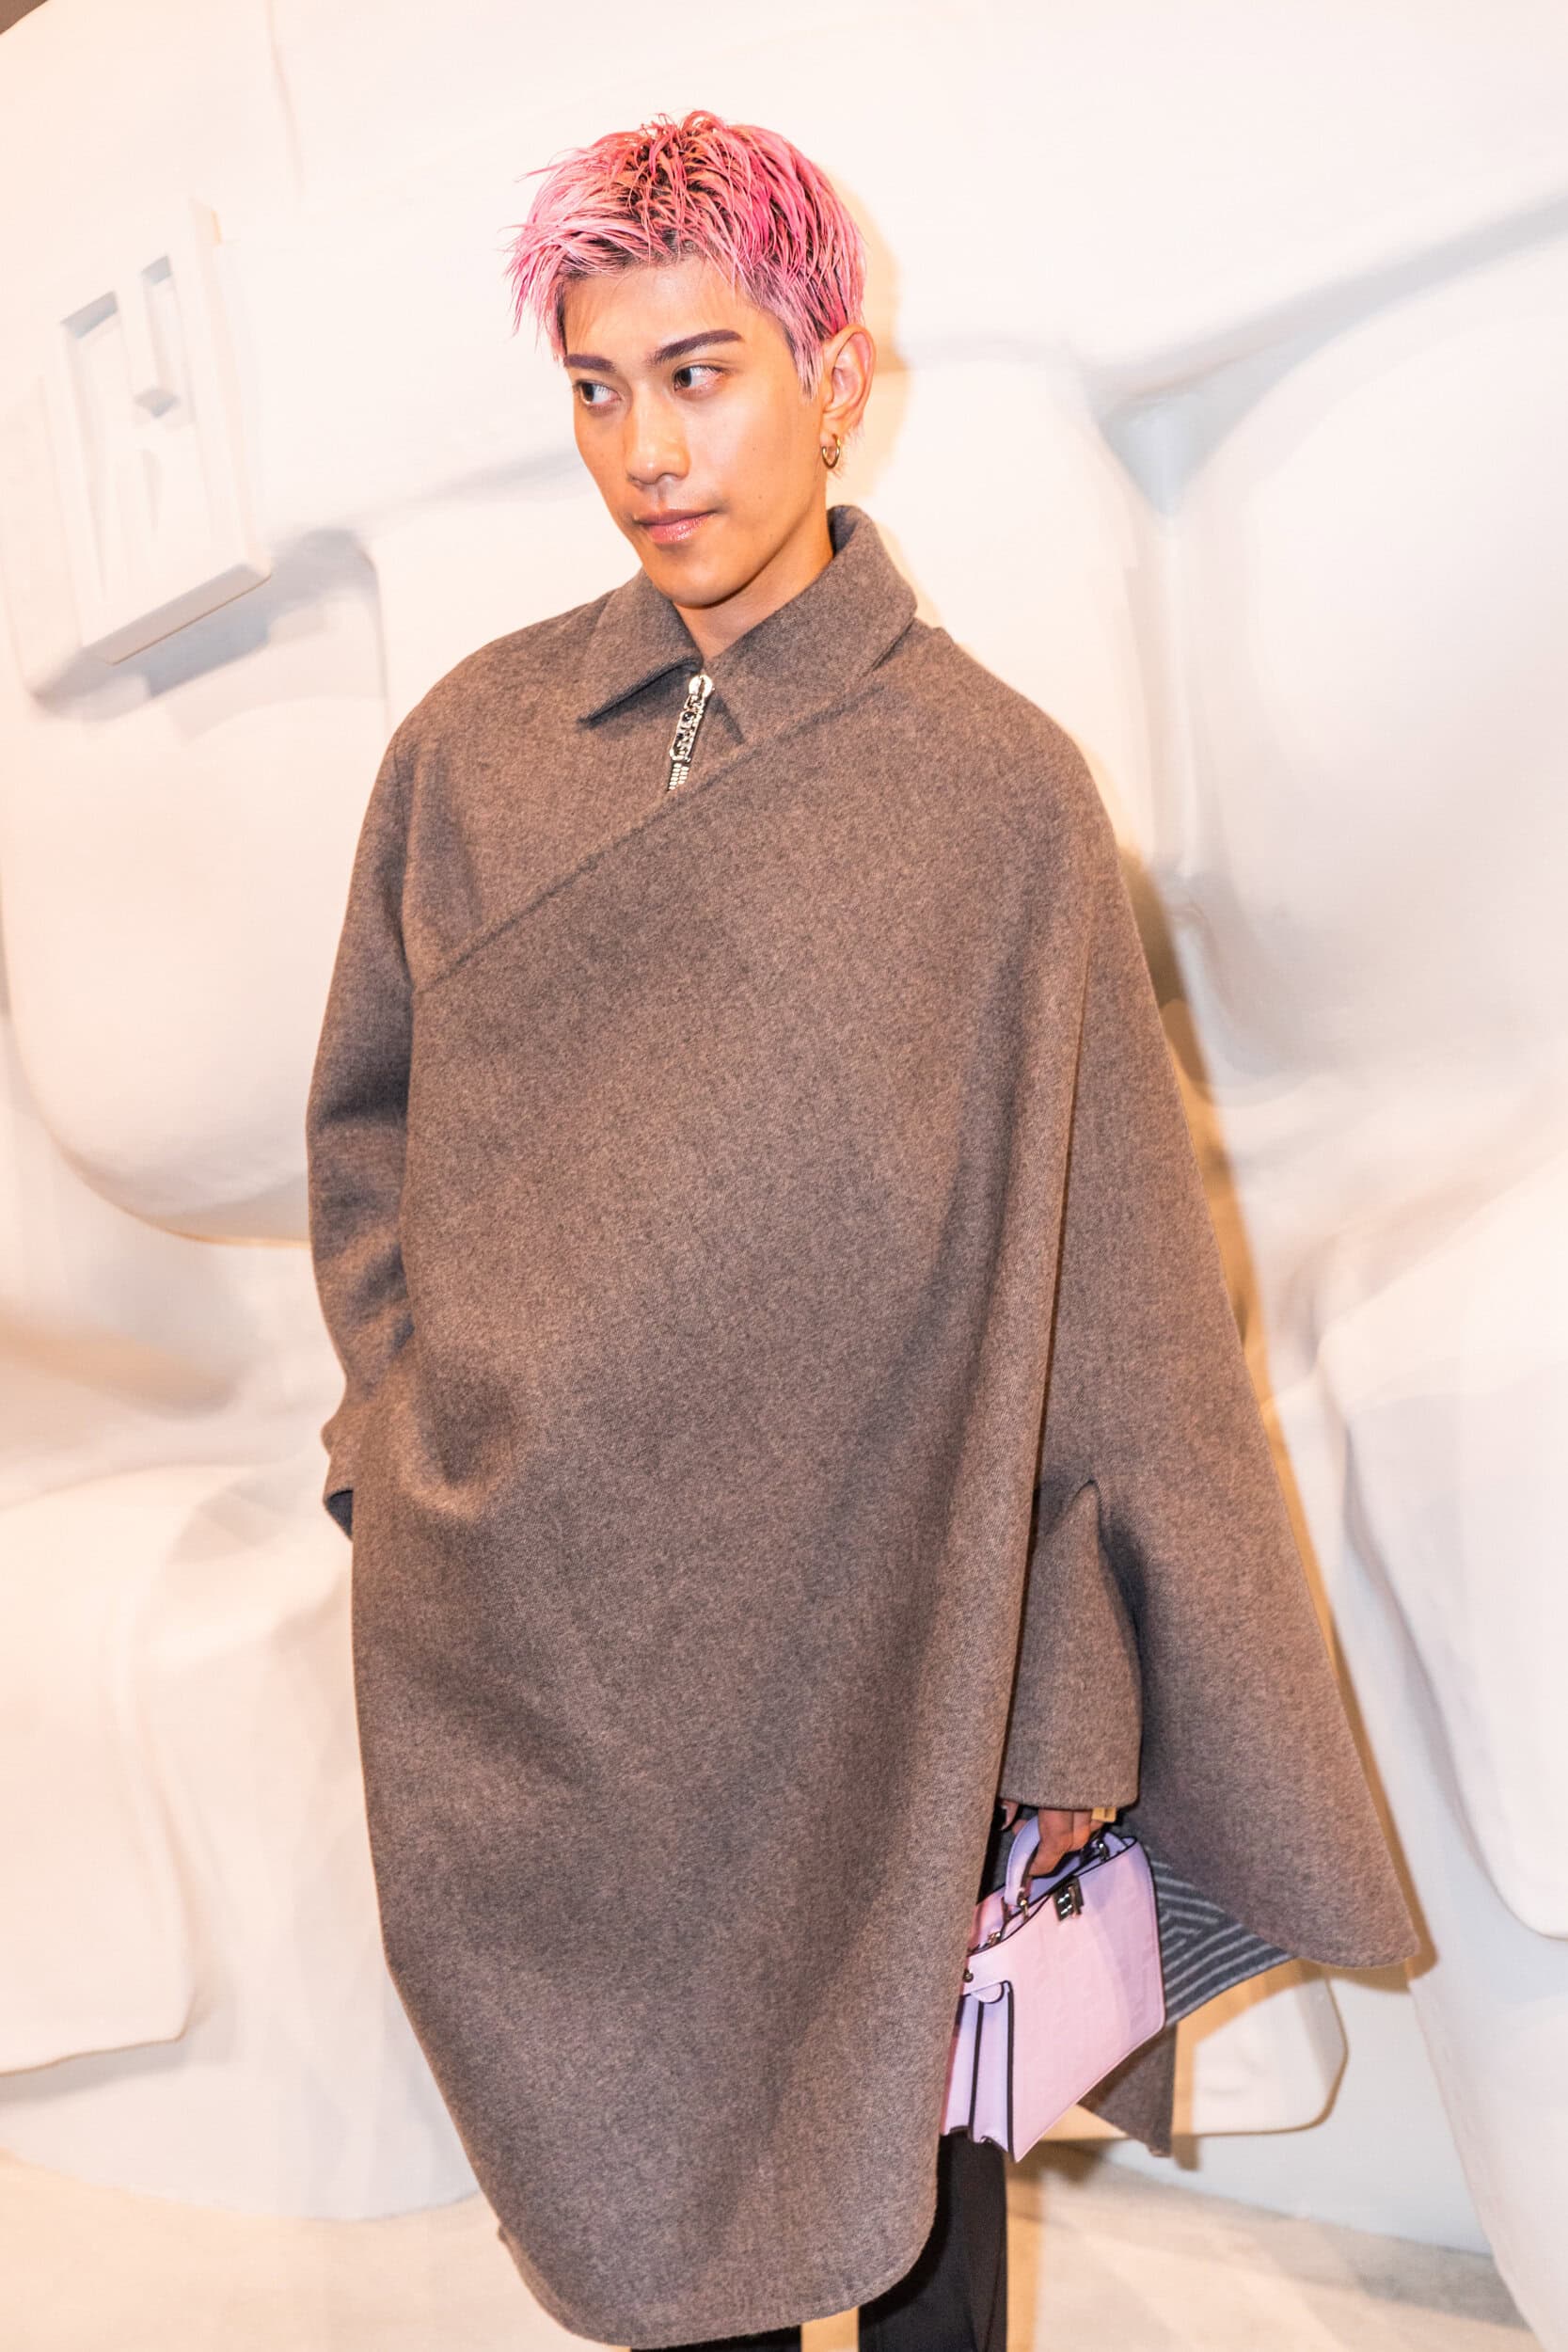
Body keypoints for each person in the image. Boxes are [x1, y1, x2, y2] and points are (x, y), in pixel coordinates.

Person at [304, 107, 1417, 2352]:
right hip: (560, 1638)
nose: (646, 451)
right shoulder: (471, 749)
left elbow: (1112, 1292)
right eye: (597, 389)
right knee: (655, 2212)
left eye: (698, 373)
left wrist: (1069, 1691)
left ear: (831, 371)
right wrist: (406, 1456)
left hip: (903, 1656)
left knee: (919, 2223)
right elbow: (367, 1141)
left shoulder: (992, 793)